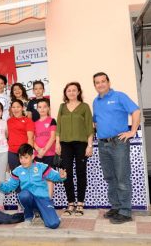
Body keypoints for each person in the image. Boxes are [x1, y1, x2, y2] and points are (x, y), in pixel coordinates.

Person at [92, 72, 140, 224]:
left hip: (118, 143)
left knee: (122, 178)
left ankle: (125, 211)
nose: (100, 84)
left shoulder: (119, 96)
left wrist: (132, 131)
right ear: (95, 85)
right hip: (102, 144)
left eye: (103, 81)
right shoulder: (95, 101)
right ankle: (116, 207)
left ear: (108, 82)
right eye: (97, 82)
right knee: (110, 177)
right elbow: (96, 121)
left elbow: (136, 111)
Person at [0, 144, 67, 229]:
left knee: (53, 224)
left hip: (42, 199)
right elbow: (9, 187)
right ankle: (29, 216)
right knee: (23, 195)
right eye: (21, 158)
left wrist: (61, 176)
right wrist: (0, 184)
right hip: (29, 198)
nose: (23, 161)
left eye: (26, 157)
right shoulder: (17, 171)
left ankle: (42, 212)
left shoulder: (42, 167)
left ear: (32, 156)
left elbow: (54, 176)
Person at [56, 82, 94, 216]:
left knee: (81, 172)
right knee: (67, 173)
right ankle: (70, 202)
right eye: (69, 90)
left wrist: (90, 146)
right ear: (65, 93)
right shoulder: (62, 107)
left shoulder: (84, 107)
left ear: (78, 92)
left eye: (74, 90)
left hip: (81, 144)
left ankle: (80, 203)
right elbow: (58, 128)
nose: (71, 92)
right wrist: (57, 143)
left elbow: (90, 127)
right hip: (65, 144)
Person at [33, 98, 57, 198]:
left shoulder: (52, 121)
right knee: (38, 179)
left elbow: (52, 137)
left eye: (44, 107)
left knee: (49, 178)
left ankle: (49, 201)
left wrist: (44, 150)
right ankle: (40, 203)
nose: (42, 109)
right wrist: (38, 149)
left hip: (49, 154)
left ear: (48, 108)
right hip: (37, 155)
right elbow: (32, 139)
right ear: (37, 109)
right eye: (40, 107)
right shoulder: (34, 123)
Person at [7, 99, 34, 171]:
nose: (16, 109)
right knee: (15, 175)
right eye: (13, 107)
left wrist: (28, 154)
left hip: (24, 152)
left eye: (18, 107)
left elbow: (30, 138)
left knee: (26, 175)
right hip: (12, 152)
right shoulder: (8, 121)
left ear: (22, 108)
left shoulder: (28, 121)